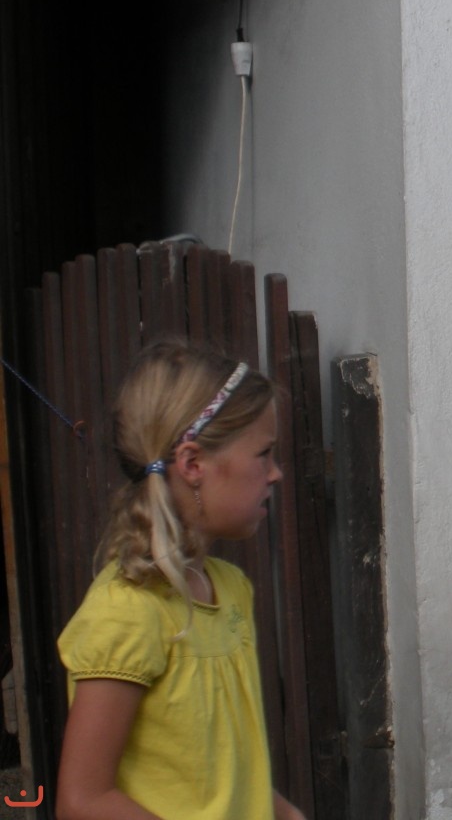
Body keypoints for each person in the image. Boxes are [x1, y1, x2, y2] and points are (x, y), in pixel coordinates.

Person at [55, 340, 306, 820]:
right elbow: (82, 801)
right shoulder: (127, 612)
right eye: (264, 454)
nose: (275, 474)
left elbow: (220, 772)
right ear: (193, 464)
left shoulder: (231, 589)